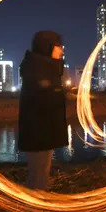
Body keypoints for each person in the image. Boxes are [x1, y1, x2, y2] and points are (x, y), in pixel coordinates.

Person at [18, 31, 68, 190]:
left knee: (41, 174)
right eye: (59, 47)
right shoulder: (38, 69)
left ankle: (37, 207)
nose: (61, 51)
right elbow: (42, 98)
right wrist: (57, 93)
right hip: (38, 133)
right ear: (48, 47)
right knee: (38, 176)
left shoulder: (42, 67)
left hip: (43, 132)